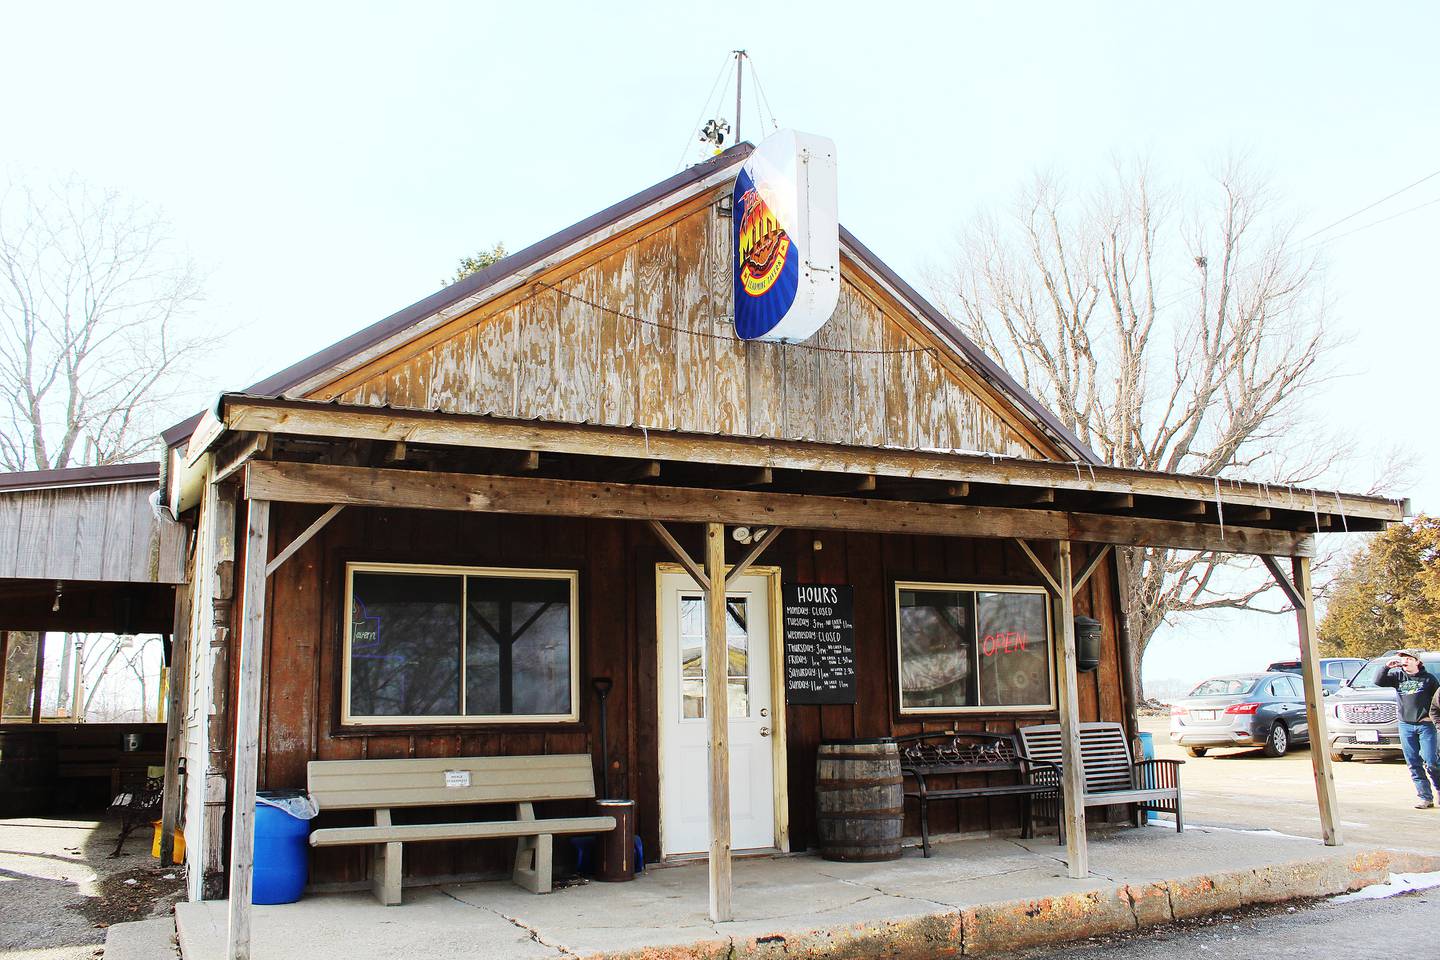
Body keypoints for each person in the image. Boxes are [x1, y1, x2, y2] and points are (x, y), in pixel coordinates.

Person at [1377, 649, 1440, 809]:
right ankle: (1425, 797)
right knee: (1413, 762)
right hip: (1405, 725)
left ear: (1417, 661)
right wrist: (1386, 667)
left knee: (1431, 761)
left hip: (1426, 725)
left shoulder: (1429, 679)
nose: (1405, 661)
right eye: (1403, 659)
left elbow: (1437, 703)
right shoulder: (1397, 677)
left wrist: (1433, 719)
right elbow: (1378, 681)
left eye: (1408, 658)